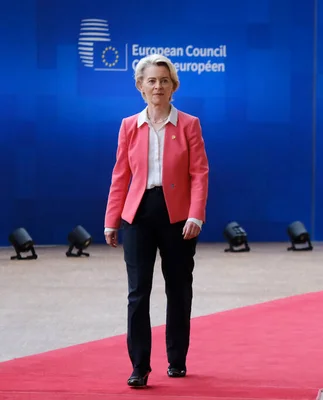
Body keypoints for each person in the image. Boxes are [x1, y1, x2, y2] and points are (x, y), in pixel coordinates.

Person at [103, 54, 209, 388]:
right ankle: (139, 366)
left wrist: (196, 214)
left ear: (173, 86)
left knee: (178, 288)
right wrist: (111, 219)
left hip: (178, 215)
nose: (157, 87)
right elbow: (121, 174)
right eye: (151, 80)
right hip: (138, 214)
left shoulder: (189, 123)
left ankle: (177, 359)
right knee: (138, 292)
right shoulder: (128, 126)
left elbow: (199, 173)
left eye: (164, 81)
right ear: (140, 86)